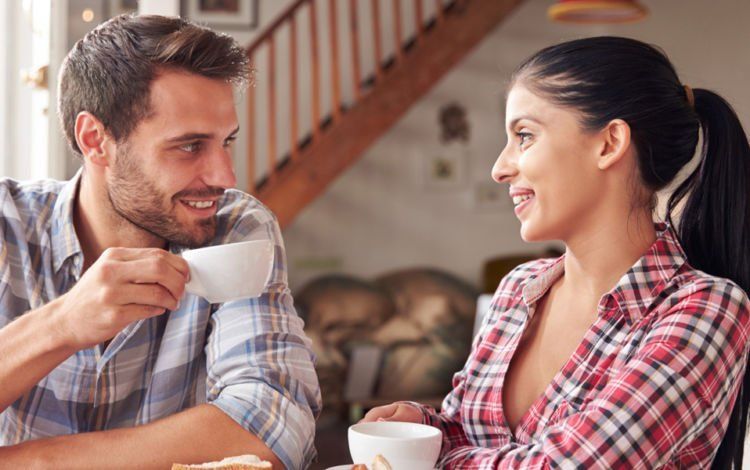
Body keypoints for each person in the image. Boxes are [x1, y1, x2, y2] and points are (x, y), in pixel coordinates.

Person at [362, 36, 750, 468]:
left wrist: (427, 463)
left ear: (609, 144)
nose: (499, 167)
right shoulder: (518, 290)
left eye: (524, 136)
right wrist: (424, 429)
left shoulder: (706, 311)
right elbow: (467, 428)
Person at [0, 14, 321, 469]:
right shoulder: (8, 225)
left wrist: (28, 464)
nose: (224, 177)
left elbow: (272, 425)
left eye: (225, 142)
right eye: (190, 146)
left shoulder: (235, 229)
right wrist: (62, 324)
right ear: (96, 141)